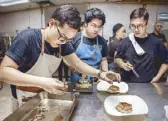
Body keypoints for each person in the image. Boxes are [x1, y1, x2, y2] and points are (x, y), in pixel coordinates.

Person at [0, 5, 120, 107]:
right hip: (23, 98)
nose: (63, 41)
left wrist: (100, 74)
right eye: (62, 36)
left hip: (43, 97)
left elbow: (78, 64)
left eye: (68, 39)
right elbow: (3, 72)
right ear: (52, 23)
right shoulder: (28, 38)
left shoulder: (64, 43)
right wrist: (43, 82)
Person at [115, 8, 168, 83]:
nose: (136, 30)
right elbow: (117, 58)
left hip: (148, 85)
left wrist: (157, 77)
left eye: (140, 26)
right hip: (128, 85)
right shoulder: (126, 41)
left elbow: (166, 61)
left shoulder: (156, 43)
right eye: (133, 26)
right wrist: (123, 65)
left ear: (147, 24)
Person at [70, 8, 109, 83]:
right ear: (85, 24)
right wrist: (70, 65)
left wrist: (104, 74)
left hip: (95, 80)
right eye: (93, 25)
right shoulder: (75, 38)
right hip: (77, 80)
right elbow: (66, 57)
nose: (96, 29)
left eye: (99, 26)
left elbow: (104, 60)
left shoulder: (102, 41)